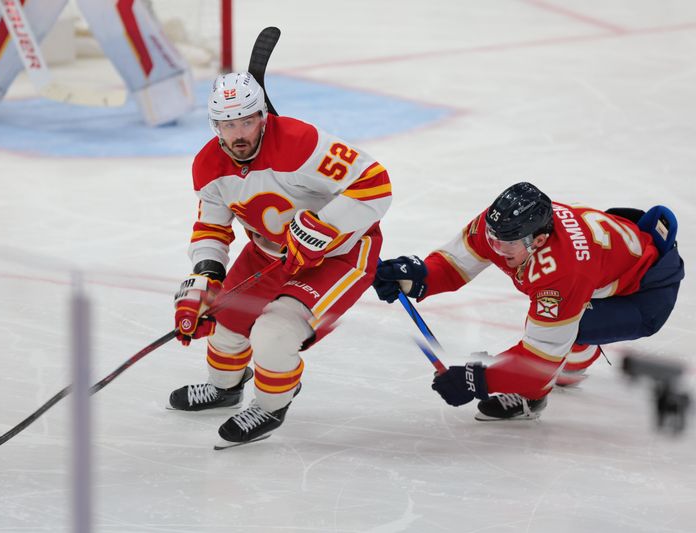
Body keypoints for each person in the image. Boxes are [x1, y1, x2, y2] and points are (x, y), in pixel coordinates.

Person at [168, 72, 392, 446]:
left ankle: (271, 406)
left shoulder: (301, 142)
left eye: (246, 121)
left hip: (339, 255)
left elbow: (375, 184)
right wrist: (206, 275)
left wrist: (325, 226)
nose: (238, 134)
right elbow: (212, 227)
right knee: (225, 325)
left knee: (274, 334)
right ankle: (225, 388)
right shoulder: (208, 165)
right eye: (227, 124)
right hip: (267, 254)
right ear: (214, 125)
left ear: (262, 116)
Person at [374, 182, 684, 420]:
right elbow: (455, 264)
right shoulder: (501, 225)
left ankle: (532, 399)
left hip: (644, 295)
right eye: (492, 238)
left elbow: (539, 360)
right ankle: (576, 352)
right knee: (562, 347)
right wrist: (416, 277)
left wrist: (477, 377)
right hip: (609, 263)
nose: (495, 248)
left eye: (505, 243)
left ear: (538, 241)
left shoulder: (562, 273)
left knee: (565, 331)